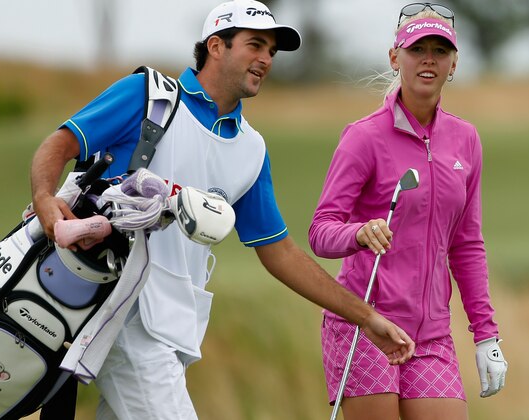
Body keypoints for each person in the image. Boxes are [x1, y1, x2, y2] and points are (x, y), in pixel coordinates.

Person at [30, 1, 415, 418]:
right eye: (255, 45)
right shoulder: (148, 97)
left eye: (271, 50)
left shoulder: (250, 149)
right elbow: (61, 144)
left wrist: (366, 317)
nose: (266, 59)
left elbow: (279, 252)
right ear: (216, 46)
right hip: (121, 311)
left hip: (173, 328)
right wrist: (45, 199)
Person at [308, 3, 508, 420]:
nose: (429, 59)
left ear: (454, 64)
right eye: (418, 49)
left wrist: (486, 335)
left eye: (440, 50)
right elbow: (321, 231)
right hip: (364, 322)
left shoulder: (465, 140)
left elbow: (467, 245)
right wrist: (358, 233)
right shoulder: (363, 138)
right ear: (395, 57)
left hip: (432, 333)